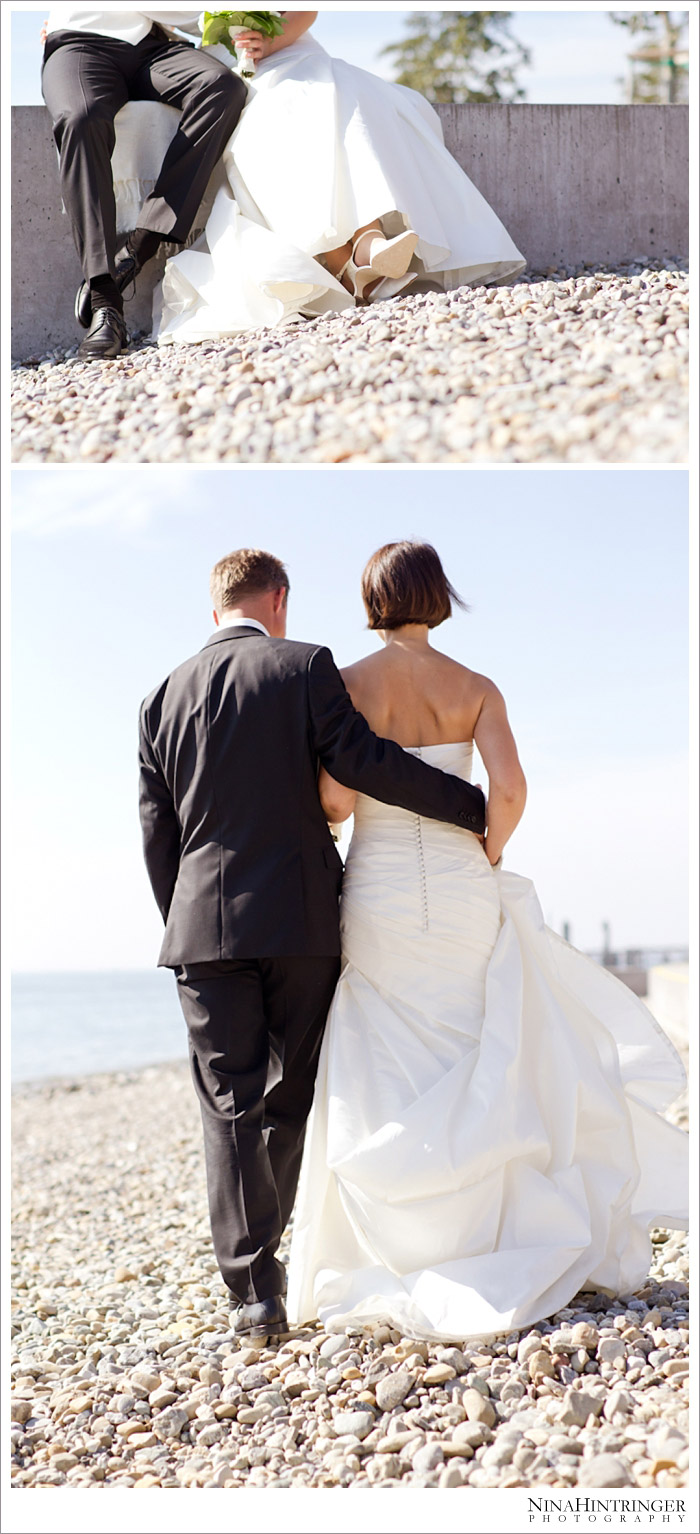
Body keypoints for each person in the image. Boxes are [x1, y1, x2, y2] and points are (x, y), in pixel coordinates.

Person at [286, 541, 688, 1340]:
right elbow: (508, 788)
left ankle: (404, 1243)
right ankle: (495, 1235)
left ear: (371, 600)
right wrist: (490, 849)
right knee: (480, 1043)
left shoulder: (347, 686)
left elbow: (334, 802)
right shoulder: (475, 688)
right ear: (438, 596)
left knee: (387, 1053)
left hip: (382, 891)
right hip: (464, 889)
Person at [138, 548, 486, 1344]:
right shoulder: (303, 667)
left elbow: (158, 837)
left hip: (203, 929)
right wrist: (467, 806)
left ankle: (254, 1291)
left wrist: (189, 921)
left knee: (228, 1103)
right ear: (280, 599)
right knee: (291, 1092)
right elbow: (362, 762)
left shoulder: (159, 699)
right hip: (301, 923)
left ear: (214, 607)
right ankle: (277, 1247)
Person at [155, 12, 526, 343]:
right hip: (229, 73)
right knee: (282, 117)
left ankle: (367, 243)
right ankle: (352, 264)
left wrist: (270, 39)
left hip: (297, 52)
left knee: (347, 96)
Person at [40, 8, 248, 360]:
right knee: (81, 118)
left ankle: (140, 247)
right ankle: (106, 305)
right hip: (78, 43)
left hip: (151, 46)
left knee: (221, 87)